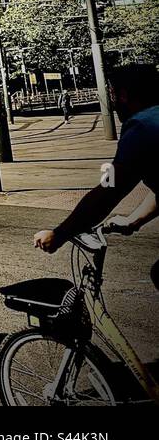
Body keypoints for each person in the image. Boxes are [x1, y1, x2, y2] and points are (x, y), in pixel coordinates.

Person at [35, 65, 159, 291]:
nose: (112, 101)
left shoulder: (142, 126)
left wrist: (59, 234)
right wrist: (135, 220)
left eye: (111, 94)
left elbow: (109, 189)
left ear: (123, 95)